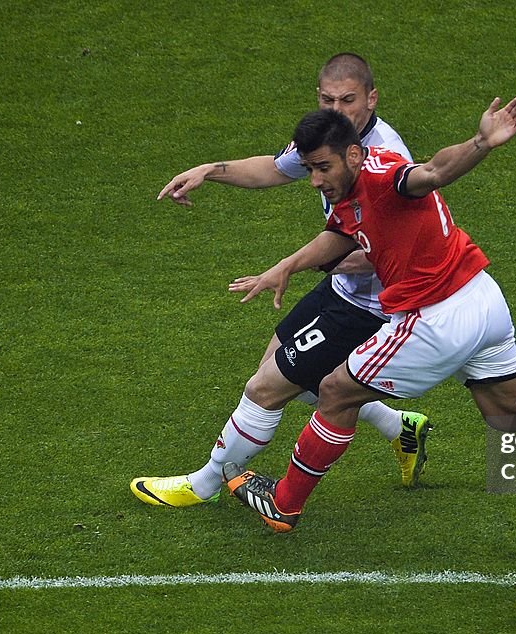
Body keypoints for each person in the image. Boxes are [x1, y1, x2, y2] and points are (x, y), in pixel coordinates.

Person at [222, 97, 516, 532]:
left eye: (322, 167)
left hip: (436, 317)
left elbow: (432, 173)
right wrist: (287, 266)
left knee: (335, 390)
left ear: (354, 155)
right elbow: (344, 232)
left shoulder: (386, 177)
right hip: (483, 300)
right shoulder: (351, 190)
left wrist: (481, 143)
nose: (316, 181)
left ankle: (285, 503)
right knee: (508, 414)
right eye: (308, 170)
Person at [131, 54, 431, 508]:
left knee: (266, 388)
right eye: (328, 99)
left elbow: (384, 252)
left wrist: (295, 265)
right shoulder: (328, 137)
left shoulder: (387, 160)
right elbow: (275, 168)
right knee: (285, 367)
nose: (338, 110)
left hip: (373, 306)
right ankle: (400, 427)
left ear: (371, 99)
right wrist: (210, 170)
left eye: (348, 100)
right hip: (342, 291)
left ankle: (203, 485)